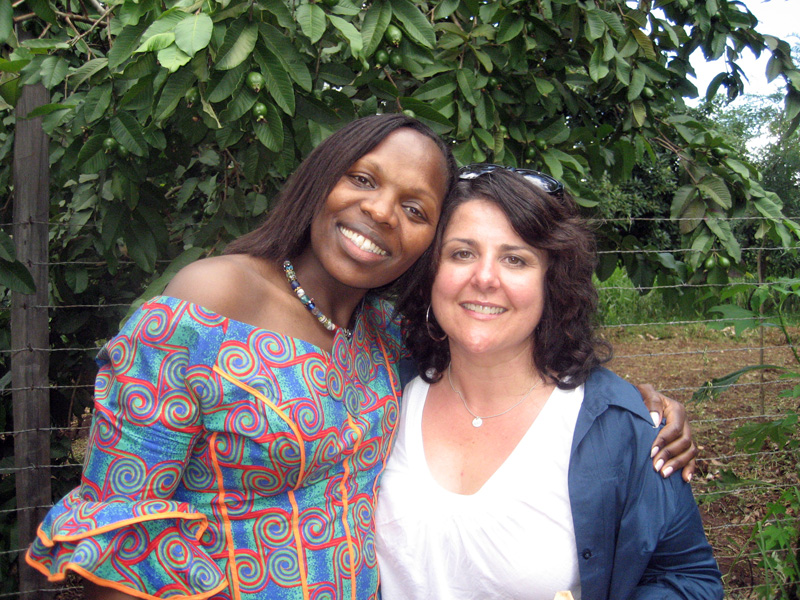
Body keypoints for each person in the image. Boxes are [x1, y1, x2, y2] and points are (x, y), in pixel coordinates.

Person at [26, 116, 696, 600]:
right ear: (322, 180)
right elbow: (119, 517)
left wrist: (630, 406)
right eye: (363, 179)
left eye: (415, 208)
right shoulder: (213, 297)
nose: (380, 212)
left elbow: (497, 351)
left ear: (427, 242)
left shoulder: (385, 335)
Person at [376, 165, 723, 600]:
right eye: (462, 253)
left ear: (551, 282)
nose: (484, 277)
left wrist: (632, 415)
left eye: (515, 259)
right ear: (431, 271)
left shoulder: (618, 427)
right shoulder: (379, 388)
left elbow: (689, 578)